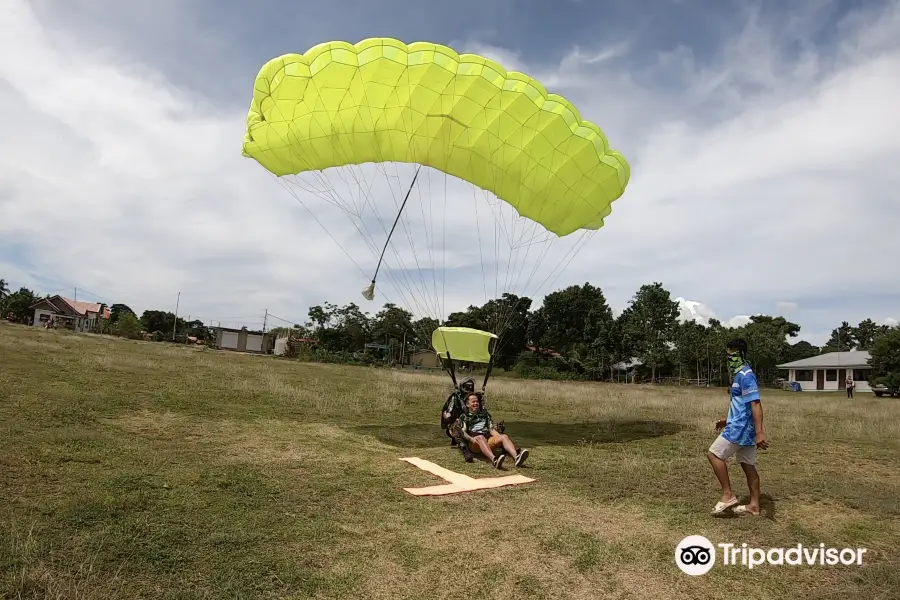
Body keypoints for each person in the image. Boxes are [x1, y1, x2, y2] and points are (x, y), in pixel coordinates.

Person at [708, 338, 769, 517]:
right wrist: (726, 420)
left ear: (741, 354)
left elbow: (755, 403)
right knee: (747, 465)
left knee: (714, 454)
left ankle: (728, 495)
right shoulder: (739, 374)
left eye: (732, 355)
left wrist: (759, 432)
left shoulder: (745, 375)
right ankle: (754, 506)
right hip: (741, 426)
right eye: (727, 356)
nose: (729, 359)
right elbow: (742, 405)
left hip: (741, 428)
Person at [456, 392, 528, 469]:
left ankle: (517, 458)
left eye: (477, 401)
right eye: (473, 402)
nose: (476, 403)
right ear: (467, 405)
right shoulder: (464, 416)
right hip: (474, 442)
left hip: (487, 439)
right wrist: (471, 439)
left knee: (504, 436)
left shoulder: (485, 415)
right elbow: (462, 432)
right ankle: (494, 460)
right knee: (480, 437)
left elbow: (491, 430)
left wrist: (500, 439)